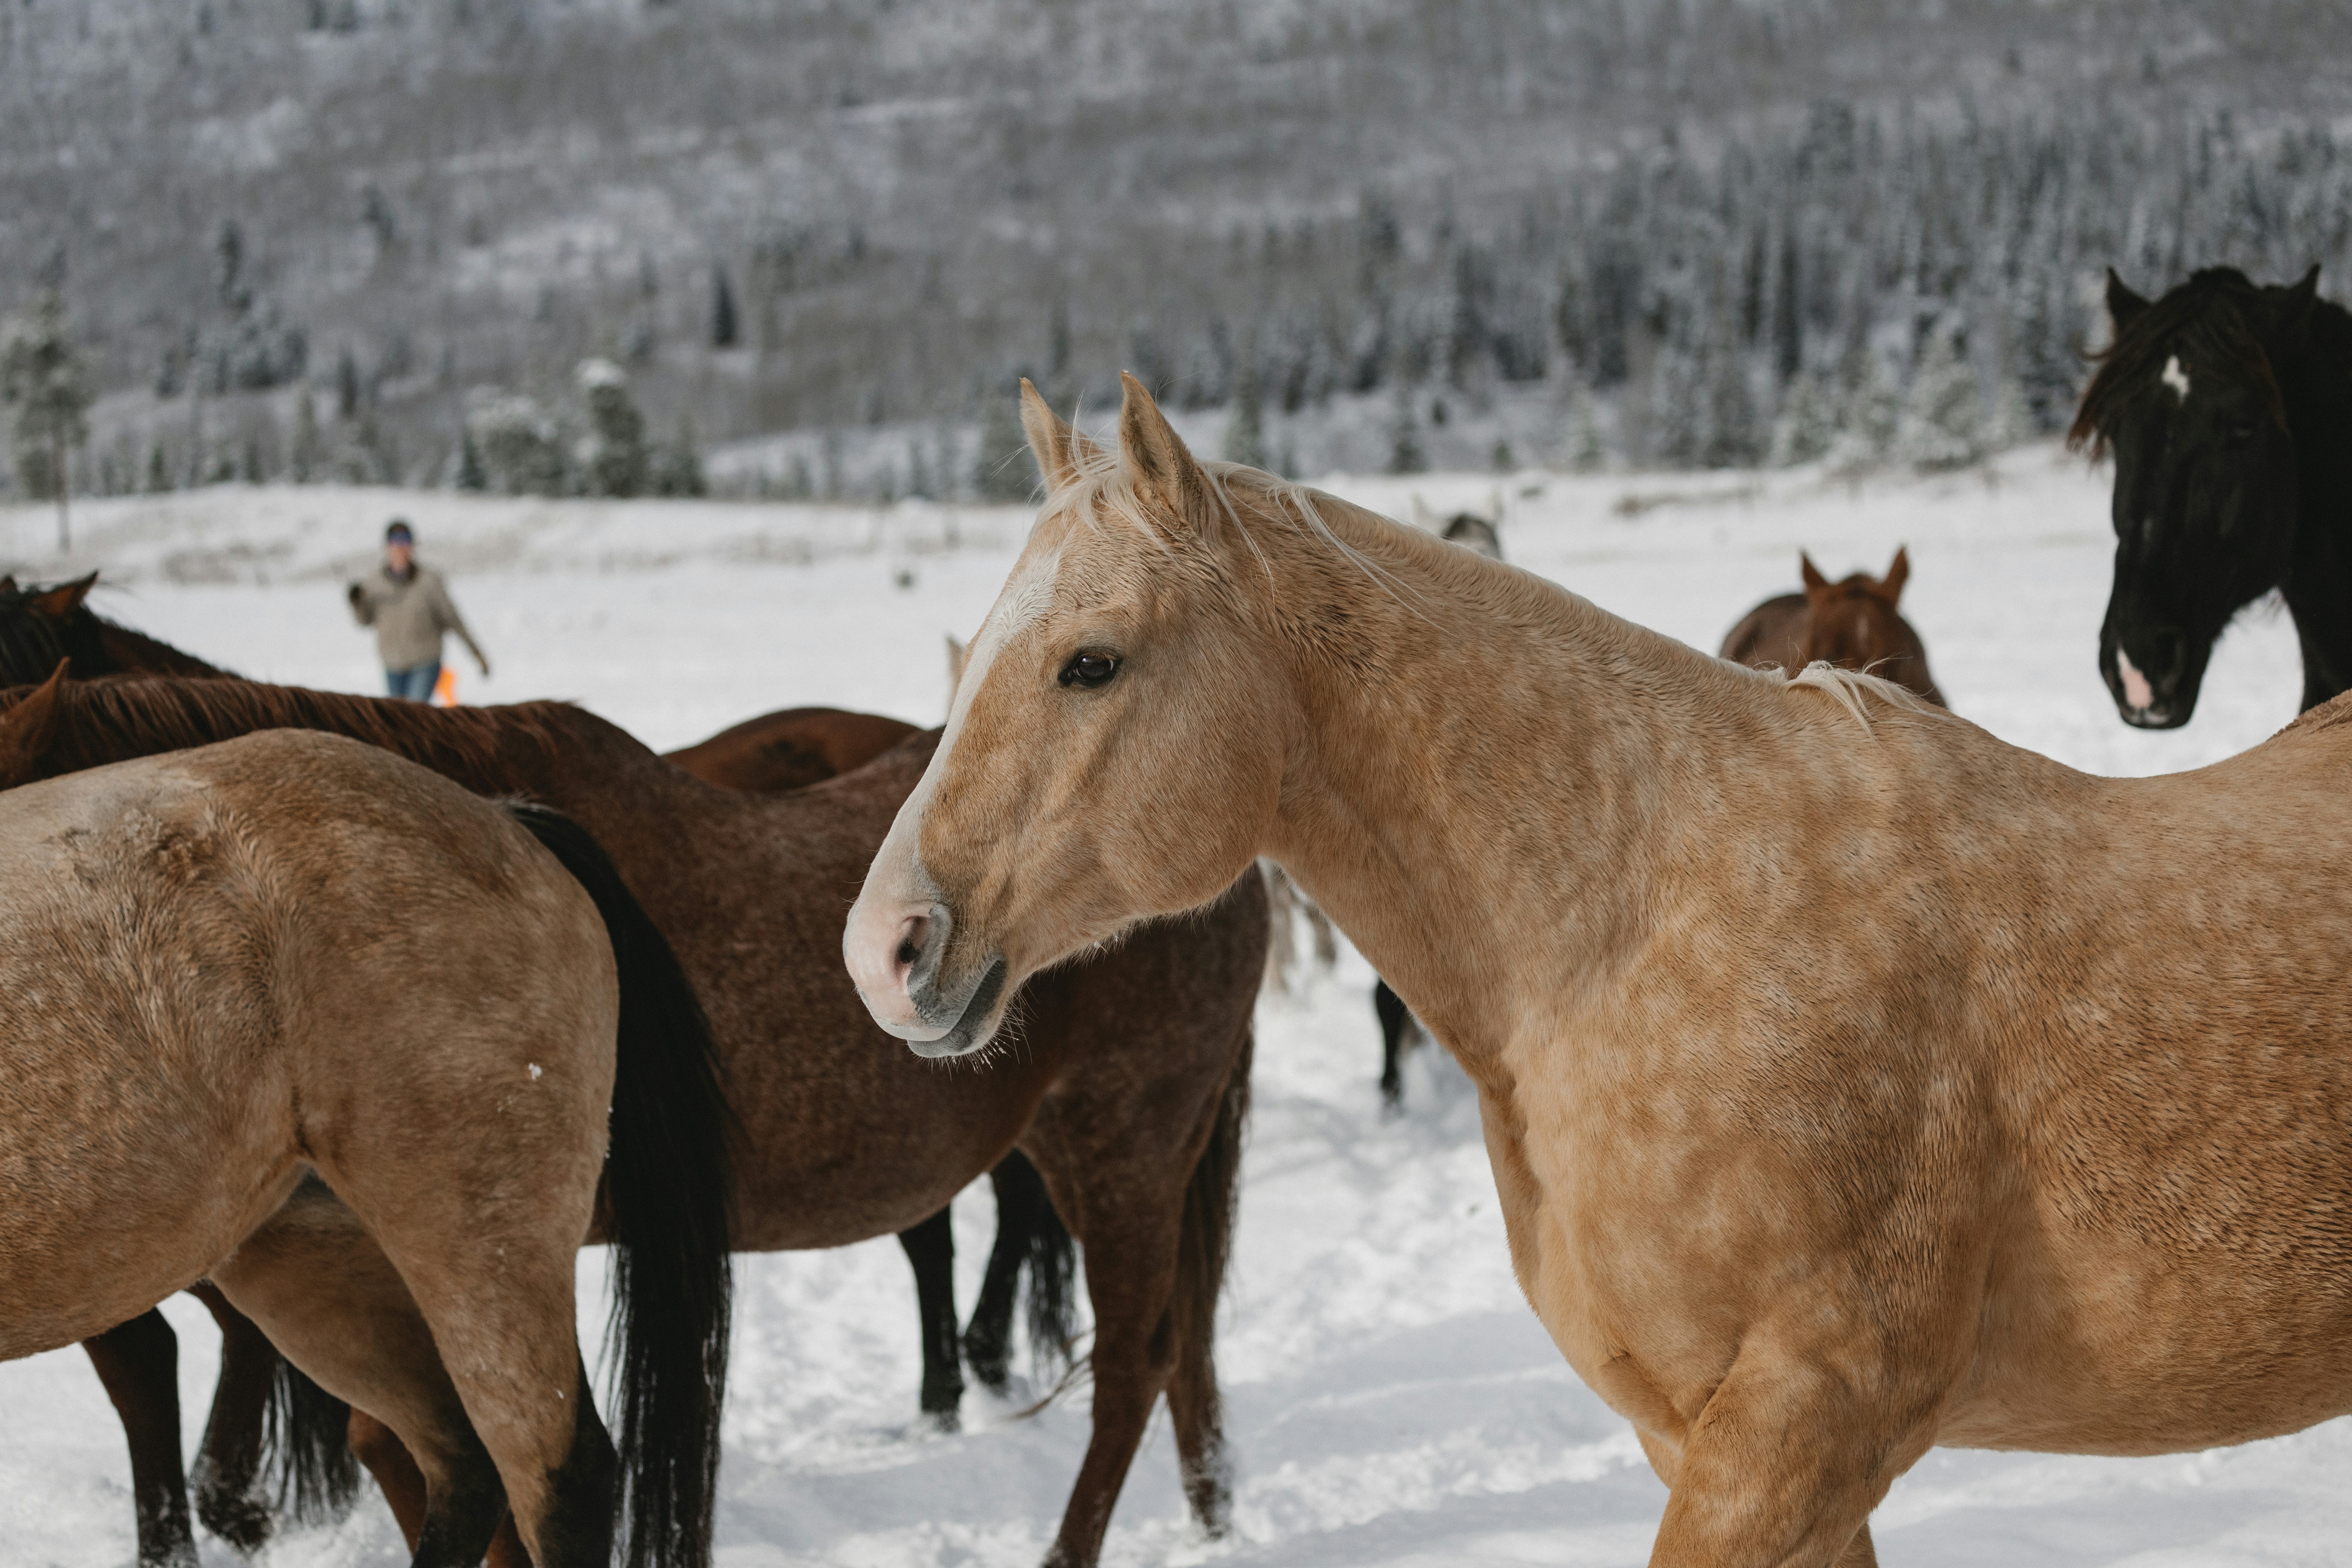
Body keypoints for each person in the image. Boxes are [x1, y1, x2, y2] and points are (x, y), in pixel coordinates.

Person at [347, 519, 490, 701]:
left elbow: (453, 619)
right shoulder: (375, 582)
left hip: (425, 661)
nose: (400, 549)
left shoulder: (429, 581)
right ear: (387, 547)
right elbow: (365, 621)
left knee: (415, 714)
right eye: (395, 542)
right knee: (398, 719)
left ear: (413, 546)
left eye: (405, 542)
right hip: (392, 664)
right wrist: (357, 602)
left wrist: (477, 654)